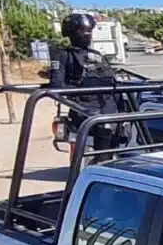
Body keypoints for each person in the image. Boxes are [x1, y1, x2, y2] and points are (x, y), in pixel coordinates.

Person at [48, 13, 125, 152]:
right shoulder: (63, 55)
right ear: (72, 32)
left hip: (108, 108)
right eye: (82, 30)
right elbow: (57, 85)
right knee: (99, 149)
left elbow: (112, 81)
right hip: (84, 110)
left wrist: (124, 111)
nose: (87, 34)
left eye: (89, 30)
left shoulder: (97, 55)